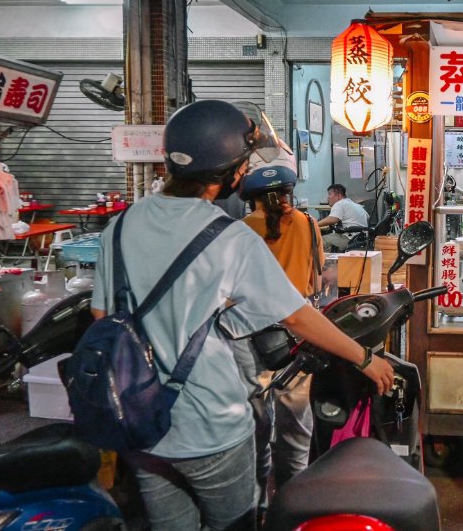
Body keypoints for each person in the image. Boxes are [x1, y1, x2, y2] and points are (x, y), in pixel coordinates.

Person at [90, 100, 393, 531]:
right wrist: (364, 358)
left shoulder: (120, 226)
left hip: (142, 424)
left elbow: (103, 316)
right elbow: (297, 317)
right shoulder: (228, 236)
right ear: (232, 170)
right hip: (212, 425)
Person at [239, 164, 324, 501]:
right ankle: (293, 502)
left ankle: (258, 504)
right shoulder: (310, 224)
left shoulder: (243, 230)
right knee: (296, 425)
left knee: (256, 423)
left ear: (252, 200)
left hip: (252, 334)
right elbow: (317, 281)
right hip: (299, 333)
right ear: (289, 194)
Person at [317, 183, 369, 252]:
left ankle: (326, 262)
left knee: (319, 241)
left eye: (330, 194)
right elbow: (367, 217)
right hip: (363, 239)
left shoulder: (340, 203)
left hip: (349, 238)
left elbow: (333, 219)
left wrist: (315, 224)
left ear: (338, 195)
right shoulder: (356, 205)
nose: (328, 197)